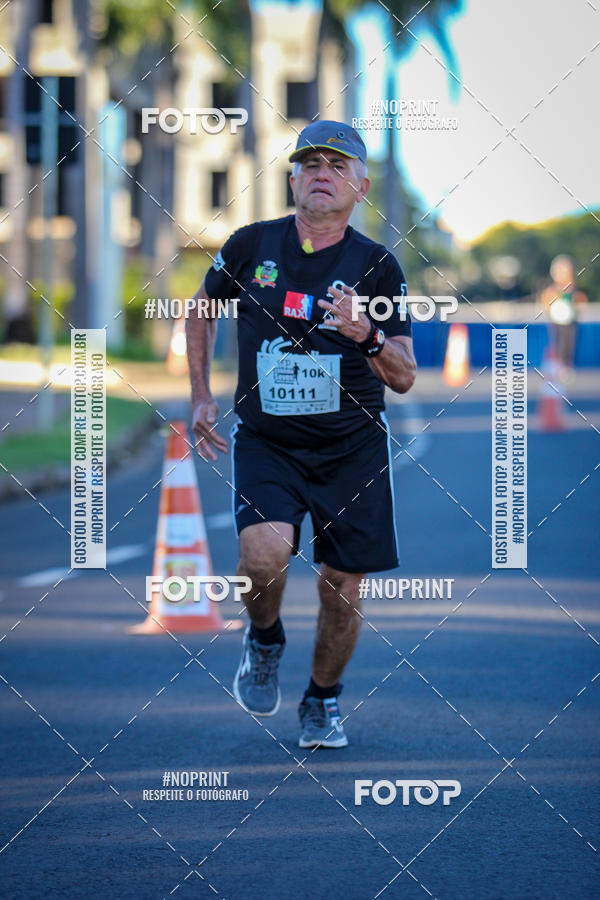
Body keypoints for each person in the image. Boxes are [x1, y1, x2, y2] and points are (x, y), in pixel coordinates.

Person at [186, 121, 416, 748]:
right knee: (263, 555)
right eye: (310, 163)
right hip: (270, 443)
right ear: (292, 181)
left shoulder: (377, 267)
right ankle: (264, 640)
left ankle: (322, 698)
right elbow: (199, 310)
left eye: (338, 166)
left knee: (341, 588)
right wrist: (201, 394)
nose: (322, 174)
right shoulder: (250, 245)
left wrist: (365, 333)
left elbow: (404, 375)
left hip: (353, 450)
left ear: (361, 187)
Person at [540, 254, 587, 374]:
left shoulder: (573, 290)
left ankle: (566, 365)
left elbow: (581, 301)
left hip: (570, 321)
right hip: (556, 320)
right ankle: (557, 365)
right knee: (557, 342)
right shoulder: (551, 290)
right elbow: (545, 302)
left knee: (568, 343)